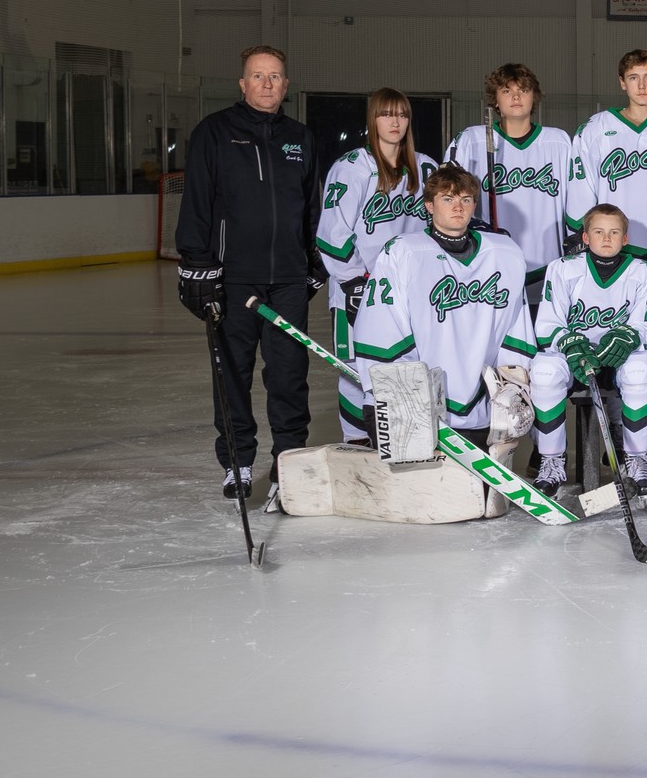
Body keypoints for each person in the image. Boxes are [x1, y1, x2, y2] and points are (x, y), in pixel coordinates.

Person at [174, 44, 323, 499]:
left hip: (288, 280)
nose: (267, 84)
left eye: (275, 76)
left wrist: (314, 263)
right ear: (242, 83)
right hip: (233, 279)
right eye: (258, 76)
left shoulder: (300, 137)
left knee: (289, 376)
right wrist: (197, 267)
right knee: (232, 374)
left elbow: (312, 208)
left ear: (286, 84)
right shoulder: (215, 131)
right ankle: (237, 462)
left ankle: (288, 462)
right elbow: (197, 202)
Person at [349, 164, 537, 445]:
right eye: (447, 199)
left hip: (482, 404)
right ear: (429, 205)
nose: (458, 207)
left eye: (466, 199)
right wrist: (401, 388)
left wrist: (511, 382)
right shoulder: (404, 251)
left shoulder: (505, 252)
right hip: (414, 402)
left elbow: (515, 325)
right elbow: (382, 326)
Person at [314, 88, 439, 443]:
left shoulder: (426, 167)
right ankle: (357, 443)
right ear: (373, 120)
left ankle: (406, 442)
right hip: (360, 287)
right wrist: (354, 281)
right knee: (356, 369)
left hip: (411, 291)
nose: (395, 122)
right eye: (386, 114)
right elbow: (332, 233)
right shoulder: (351, 168)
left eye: (401, 114)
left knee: (411, 364)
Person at [527, 204, 647, 498]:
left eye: (614, 232)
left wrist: (627, 337)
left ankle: (636, 458)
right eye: (599, 232)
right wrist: (570, 343)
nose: (606, 238)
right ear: (585, 237)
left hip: (619, 357)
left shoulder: (644, 272)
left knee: (641, 368)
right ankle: (551, 460)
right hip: (575, 357)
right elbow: (548, 324)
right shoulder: (563, 268)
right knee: (544, 371)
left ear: (625, 238)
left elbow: (645, 326)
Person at [446, 63, 578, 304]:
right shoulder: (471, 140)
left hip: (547, 266)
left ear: (534, 97)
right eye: (507, 91)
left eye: (523, 90)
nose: (516, 97)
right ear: (495, 100)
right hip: (488, 264)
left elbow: (578, 198)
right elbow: (445, 195)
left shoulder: (559, 142)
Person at [565, 49, 647, 260]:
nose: (642, 86)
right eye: (633, 78)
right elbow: (581, 190)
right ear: (622, 82)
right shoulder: (595, 129)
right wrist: (578, 233)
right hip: (613, 248)